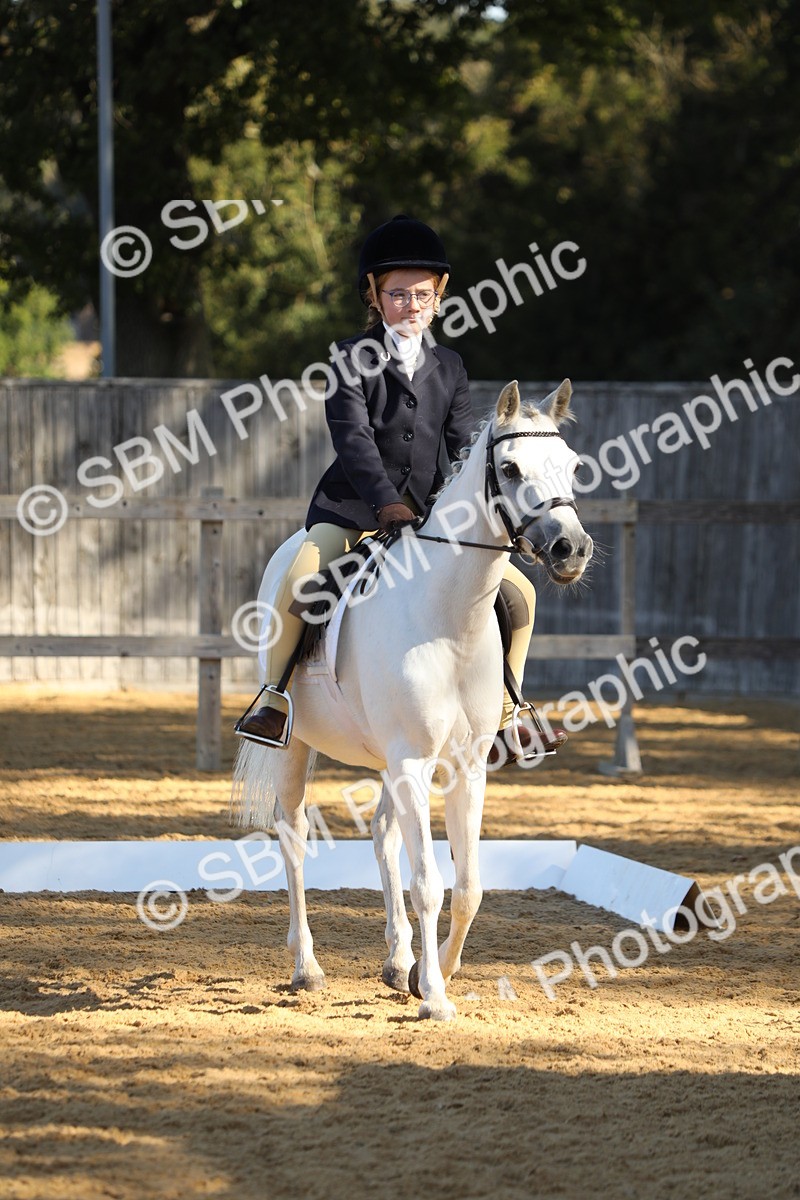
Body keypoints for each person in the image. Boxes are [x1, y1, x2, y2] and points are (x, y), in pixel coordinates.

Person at [236, 215, 565, 762]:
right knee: (300, 577)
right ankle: (273, 697)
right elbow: (354, 439)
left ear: (438, 297)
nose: (410, 304)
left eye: (421, 294)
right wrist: (385, 500)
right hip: (352, 507)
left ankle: (509, 709)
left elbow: (463, 448)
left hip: (431, 516)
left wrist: (462, 509)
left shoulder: (450, 366)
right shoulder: (347, 359)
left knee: (520, 592)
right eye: (397, 294)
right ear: (374, 294)